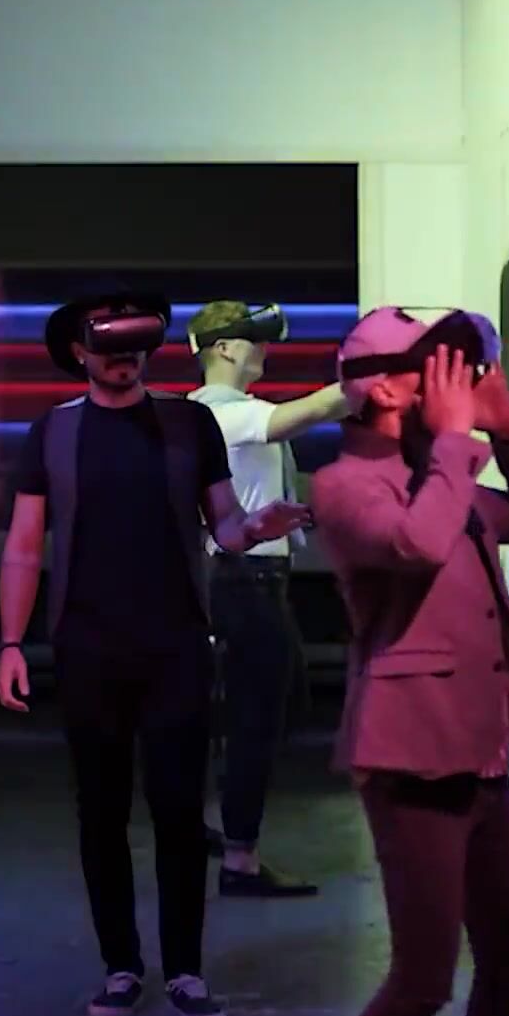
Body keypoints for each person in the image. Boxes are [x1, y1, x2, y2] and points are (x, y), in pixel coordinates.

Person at [0, 292, 311, 1016]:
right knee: (101, 815)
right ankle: (122, 967)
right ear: (80, 351)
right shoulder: (54, 432)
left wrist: (255, 526)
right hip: (87, 648)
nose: (122, 356)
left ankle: (187, 972)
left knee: (178, 813)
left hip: (175, 646)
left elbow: (223, 523)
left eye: (133, 340)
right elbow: (24, 544)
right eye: (106, 342)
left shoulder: (188, 423)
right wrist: (10, 644)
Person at [308, 306, 509, 1016]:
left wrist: (505, 432)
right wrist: (454, 440)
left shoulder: (443, 478)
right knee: (422, 982)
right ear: (385, 390)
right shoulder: (345, 484)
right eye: (437, 370)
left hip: (481, 754)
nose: (455, 385)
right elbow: (417, 545)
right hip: (411, 759)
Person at [184, 301, 353, 897]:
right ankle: (240, 859)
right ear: (224, 348)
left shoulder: (223, 414)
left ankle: (217, 824)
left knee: (268, 710)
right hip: (243, 580)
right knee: (258, 719)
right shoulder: (218, 413)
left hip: (249, 580)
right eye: (253, 339)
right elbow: (306, 414)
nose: (264, 349)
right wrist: (372, 376)